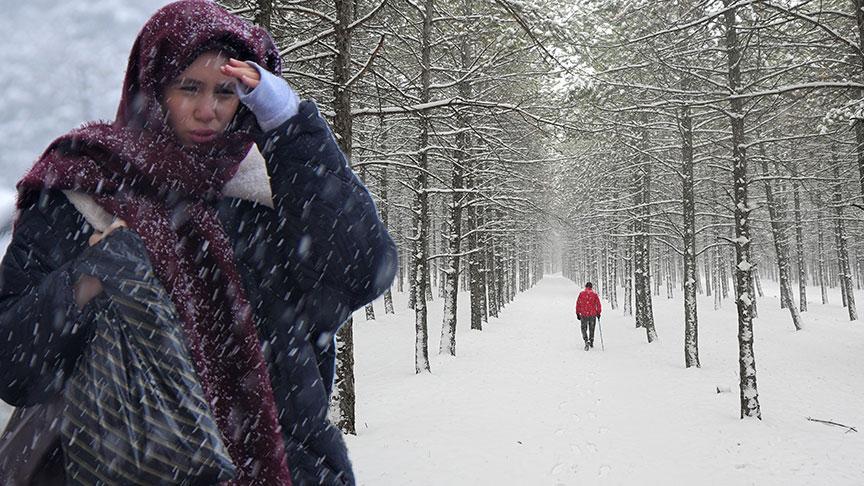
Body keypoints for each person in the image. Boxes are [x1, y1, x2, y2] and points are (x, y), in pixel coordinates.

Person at [0, 1, 397, 484]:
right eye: (189, 87)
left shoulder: (271, 191)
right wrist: (88, 278)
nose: (208, 111)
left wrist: (291, 125)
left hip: (284, 467)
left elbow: (360, 272)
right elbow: (13, 365)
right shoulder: (85, 191)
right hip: (125, 465)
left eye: (226, 92)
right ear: (152, 87)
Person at [575, 282, 602, 351]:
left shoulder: (581, 294)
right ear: (591, 287)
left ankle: (586, 340)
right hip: (592, 314)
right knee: (592, 328)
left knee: (583, 328)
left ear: (585, 286)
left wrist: (578, 313)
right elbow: (598, 304)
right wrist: (598, 313)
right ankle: (591, 340)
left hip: (584, 314)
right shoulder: (594, 295)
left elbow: (578, 304)